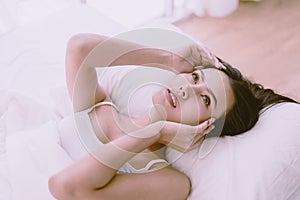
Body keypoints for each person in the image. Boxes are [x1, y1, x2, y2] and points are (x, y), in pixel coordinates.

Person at [48, 32, 298, 200]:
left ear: (204, 130)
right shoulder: (103, 105)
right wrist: (167, 58)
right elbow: (79, 48)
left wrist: (152, 132)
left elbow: (64, 187)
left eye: (205, 99)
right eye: (195, 77)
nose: (187, 88)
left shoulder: (170, 183)